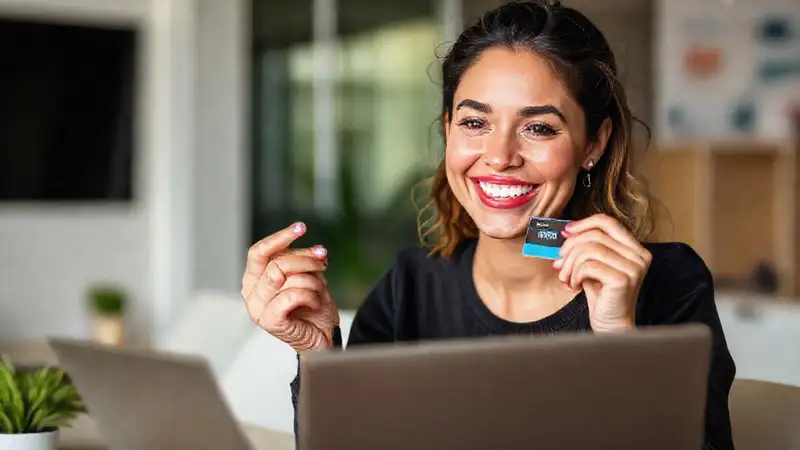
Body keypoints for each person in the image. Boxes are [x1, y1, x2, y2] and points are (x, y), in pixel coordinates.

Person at [241, 1, 736, 448]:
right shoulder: (411, 288)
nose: (499, 157)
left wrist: (619, 343)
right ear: (449, 132)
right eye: (475, 123)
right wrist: (317, 354)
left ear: (594, 144)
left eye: (538, 127)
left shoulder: (668, 283)